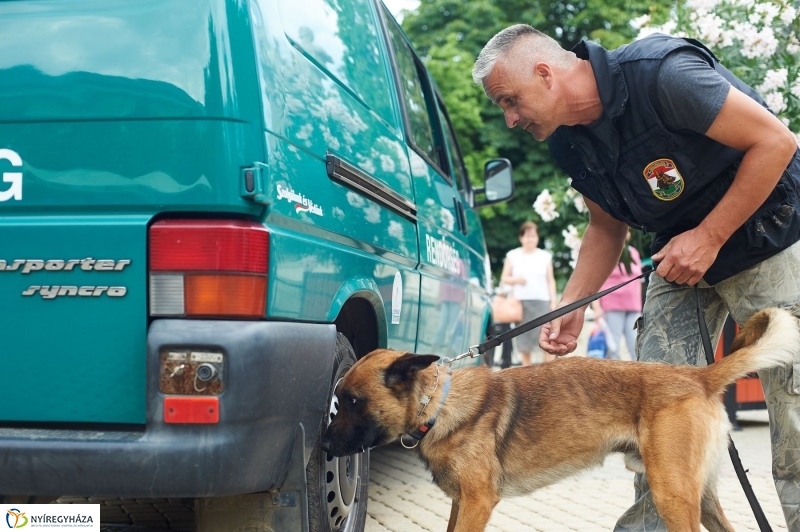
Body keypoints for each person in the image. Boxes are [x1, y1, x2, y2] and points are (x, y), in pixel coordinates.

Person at [472, 25, 800, 530]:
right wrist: (574, 304)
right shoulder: (566, 140)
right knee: (653, 408)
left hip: (766, 232)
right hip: (677, 256)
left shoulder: (663, 75)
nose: (510, 119)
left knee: (793, 411)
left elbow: (776, 141)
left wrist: (710, 236)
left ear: (545, 74)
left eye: (510, 101)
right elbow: (606, 226)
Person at [500, 221, 558, 365]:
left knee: (546, 337)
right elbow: (504, 278)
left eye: (533, 236)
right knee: (523, 341)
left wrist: (553, 301)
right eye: (527, 236)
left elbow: (550, 280)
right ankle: (526, 371)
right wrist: (516, 280)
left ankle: (549, 372)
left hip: (542, 303)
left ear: (537, 238)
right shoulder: (512, 255)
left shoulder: (545, 256)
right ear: (521, 238)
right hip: (521, 303)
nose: (530, 239)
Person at [590, 231, 643, 361]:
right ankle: (612, 374)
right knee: (613, 346)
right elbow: (596, 281)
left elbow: (638, 280)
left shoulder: (633, 252)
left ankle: (637, 373)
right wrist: (597, 308)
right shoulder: (606, 251)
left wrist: (641, 305)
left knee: (636, 345)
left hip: (633, 305)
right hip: (612, 305)